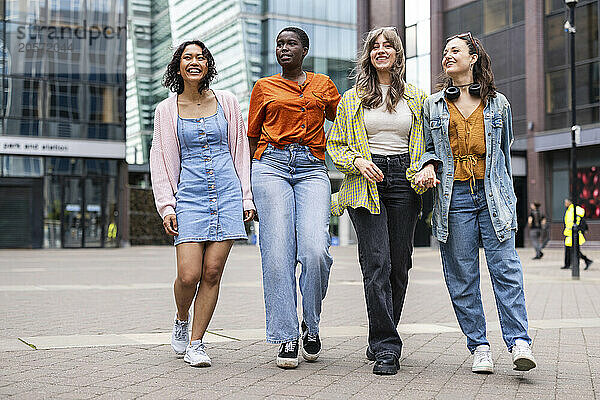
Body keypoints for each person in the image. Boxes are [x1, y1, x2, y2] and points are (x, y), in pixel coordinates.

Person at [414, 32, 536, 374]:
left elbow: (504, 156)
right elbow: (426, 146)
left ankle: (519, 342)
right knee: (462, 277)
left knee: (506, 270)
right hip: (455, 199)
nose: (447, 56)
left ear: (473, 58)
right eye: (444, 52)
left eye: (455, 50)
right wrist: (426, 163)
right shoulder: (433, 105)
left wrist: (509, 200)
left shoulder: (499, 104)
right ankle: (479, 347)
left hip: (492, 195)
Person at [327, 27, 427, 376]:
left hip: (404, 179)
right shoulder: (352, 98)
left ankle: (381, 334)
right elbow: (335, 145)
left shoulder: (417, 98)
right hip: (365, 183)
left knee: (400, 266)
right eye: (375, 47)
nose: (381, 50)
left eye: (388, 46)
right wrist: (357, 160)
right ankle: (387, 347)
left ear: (398, 55)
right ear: (368, 55)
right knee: (377, 264)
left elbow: (428, 146)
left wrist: (426, 168)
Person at [150, 40, 255, 367]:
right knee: (188, 274)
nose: (194, 62)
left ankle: (197, 343)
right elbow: (160, 159)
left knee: (212, 272)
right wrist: (167, 206)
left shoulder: (227, 101)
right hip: (189, 196)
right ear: (178, 66)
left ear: (208, 64)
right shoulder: (167, 109)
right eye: (187, 57)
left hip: (226, 192)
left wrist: (246, 197)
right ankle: (182, 318)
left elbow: (241, 151)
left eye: (200, 57)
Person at [247, 27, 340, 369]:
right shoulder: (263, 88)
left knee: (316, 250)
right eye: (279, 44)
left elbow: (345, 121)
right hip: (270, 166)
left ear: (305, 50)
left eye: (291, 44)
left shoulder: (323, 85)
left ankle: (310, 324)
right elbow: (251, 137)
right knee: (277, 252)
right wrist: (247, 191)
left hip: (312, 168)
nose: (283, 48)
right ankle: (286, 334)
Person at [562, 198, 593, 270]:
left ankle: (584, 261)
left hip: (574, 233)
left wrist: (578, 229)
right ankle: (567, 264)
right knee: (569, 249)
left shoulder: (574, 209)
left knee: (574, 249)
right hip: (569, 233)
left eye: (566, 202)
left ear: (570, 202)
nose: (565, 204)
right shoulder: (569, 210)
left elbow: (579, 220)